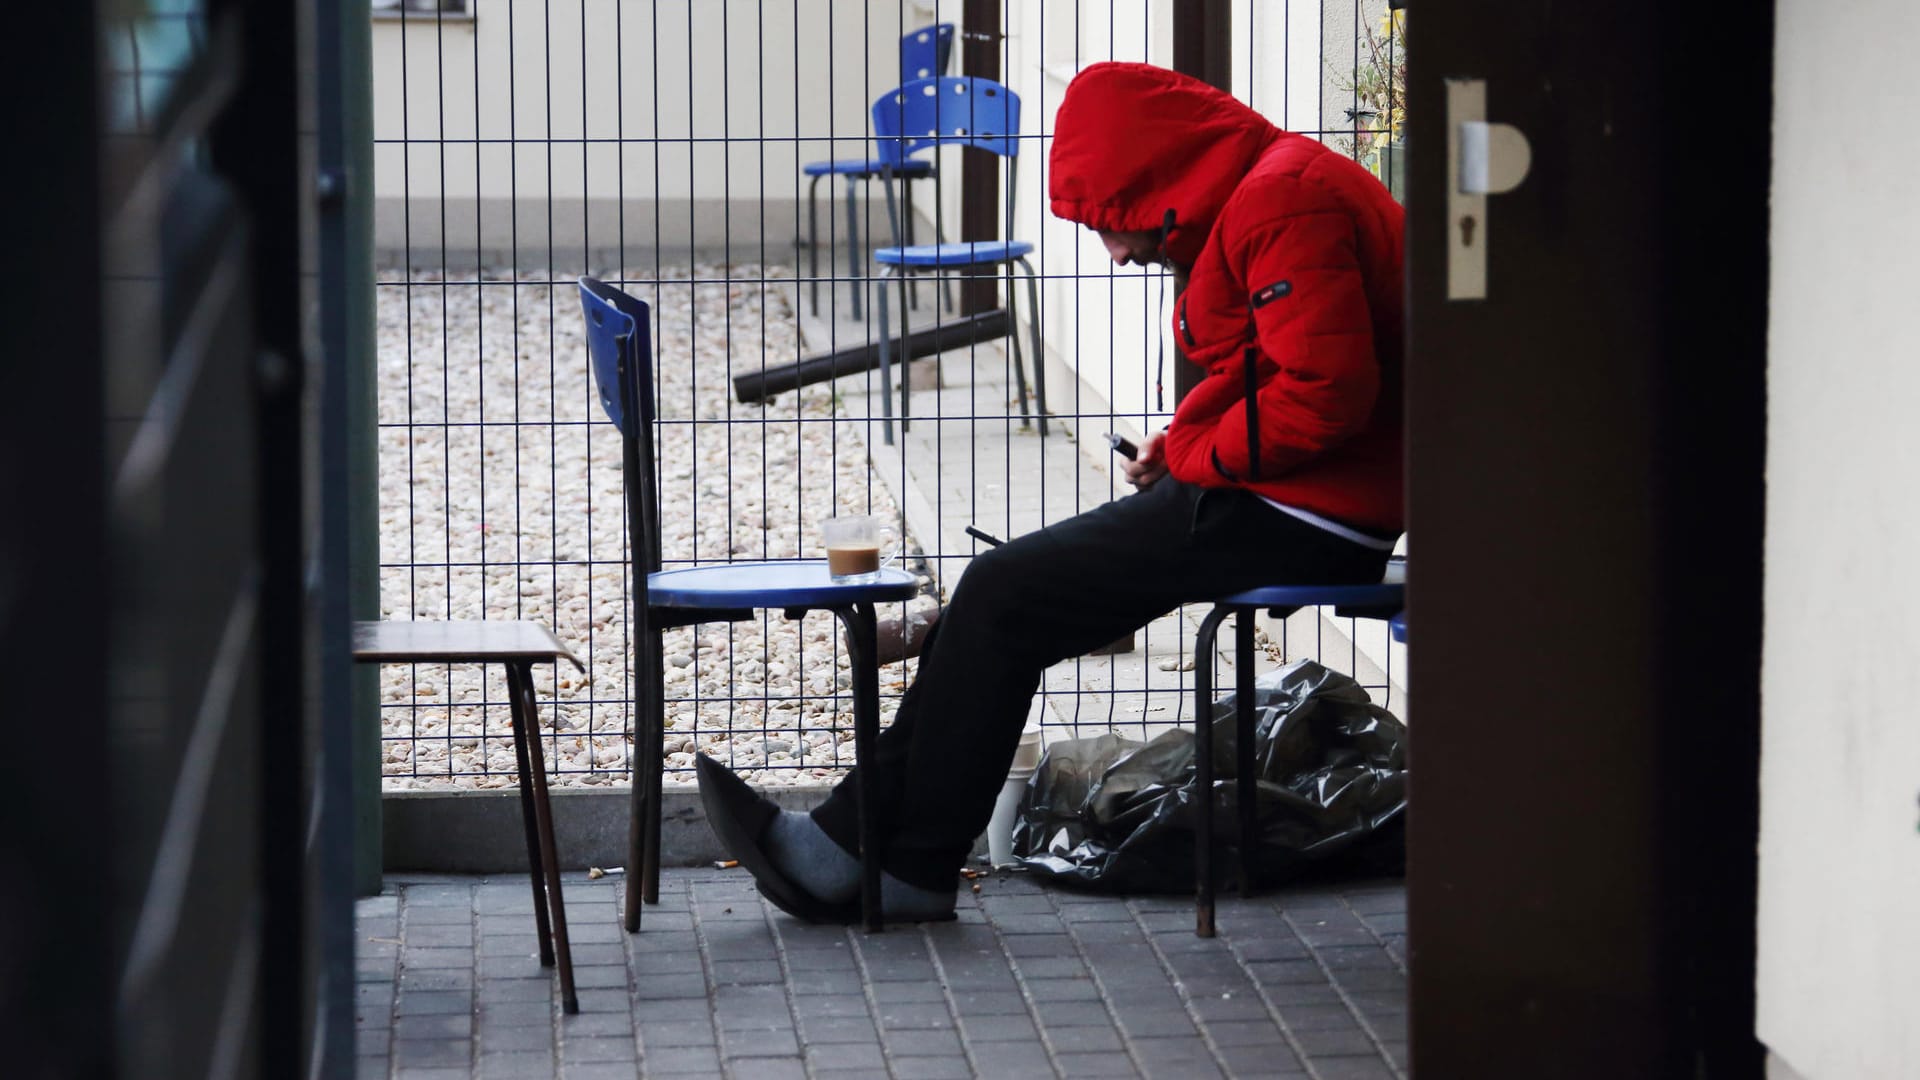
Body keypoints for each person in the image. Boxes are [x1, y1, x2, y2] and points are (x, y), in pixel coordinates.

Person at [696, 61, 1405, 922]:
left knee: (1004, 592)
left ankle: (895, 861)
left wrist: (1198, 455)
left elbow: (1330, 393)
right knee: (1006, 599)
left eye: (1118, 219)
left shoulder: (1283, 199)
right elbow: (1276, 369)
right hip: (1300, 496)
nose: (1116, 250)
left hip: (1314, 513)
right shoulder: (1272, 187)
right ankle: (865, 843)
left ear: (1163, 175)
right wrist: (1183, 443)